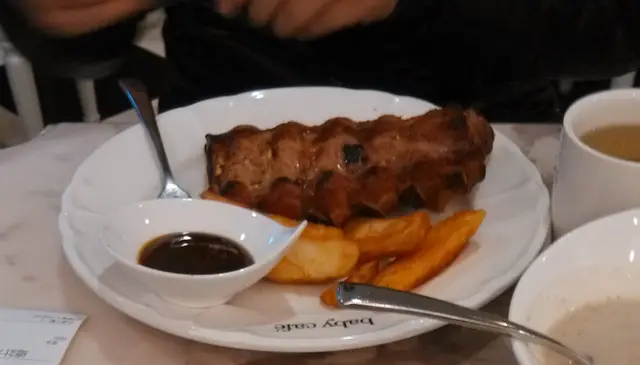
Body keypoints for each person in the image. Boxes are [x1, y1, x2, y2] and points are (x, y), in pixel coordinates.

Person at [1, 0, 640, 120]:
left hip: (487, 139)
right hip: (214, 142)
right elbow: (85, 48)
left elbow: (616, 26)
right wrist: (59, 20)